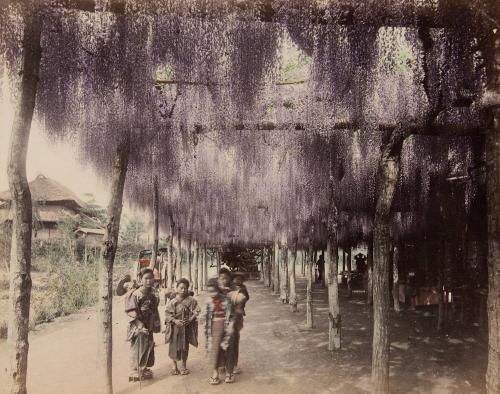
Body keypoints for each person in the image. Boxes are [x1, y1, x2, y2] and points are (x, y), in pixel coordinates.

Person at [125, 268, 161, 381]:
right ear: (141, 279)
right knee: (138, 347)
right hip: (138, 325)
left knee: (148, 346)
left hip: (149, 323)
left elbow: (154, 308)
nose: (149, 281)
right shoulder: (135, 294)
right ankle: (135, 371)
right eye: (146, 278)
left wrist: (155, 322)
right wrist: (140, 325)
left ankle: (144, 368)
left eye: (151, 278)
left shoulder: (154, 293)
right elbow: (131, 313)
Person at [165, 278, 200, 376]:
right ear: (176, 288)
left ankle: (184, 365)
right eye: (181, 288)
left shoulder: (191, 300)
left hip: (186, 327)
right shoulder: (172, 302)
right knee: (174, 346)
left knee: (185, 346)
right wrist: (175, 321)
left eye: (185, 288)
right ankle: (174, 365)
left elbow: (197, 310)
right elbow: (167, 314)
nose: (183, 290)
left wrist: (191, 319)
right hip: (175, 327)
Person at [205, 277, 235, 385]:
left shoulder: (226, 300)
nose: (212, 294)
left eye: (214, 291)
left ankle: (229, 372)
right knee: (215, 350)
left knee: (227, 348)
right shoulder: (209, 302)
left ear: (218, 289)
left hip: (226, 326)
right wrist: (208, 332)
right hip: (214, 327)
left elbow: (231, 316)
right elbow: (208, 316)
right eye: (209, 292)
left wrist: (229, 329)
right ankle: (215, 373)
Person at [230, 272, 249, 375]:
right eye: (235, 279)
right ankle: (226, 364)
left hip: (237, 318)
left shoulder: (243, 289)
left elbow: (245, 298)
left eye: (240, 279)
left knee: (235, 341)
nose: (237, 280)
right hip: (228, 317)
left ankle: (235, 365)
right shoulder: (229, 288)